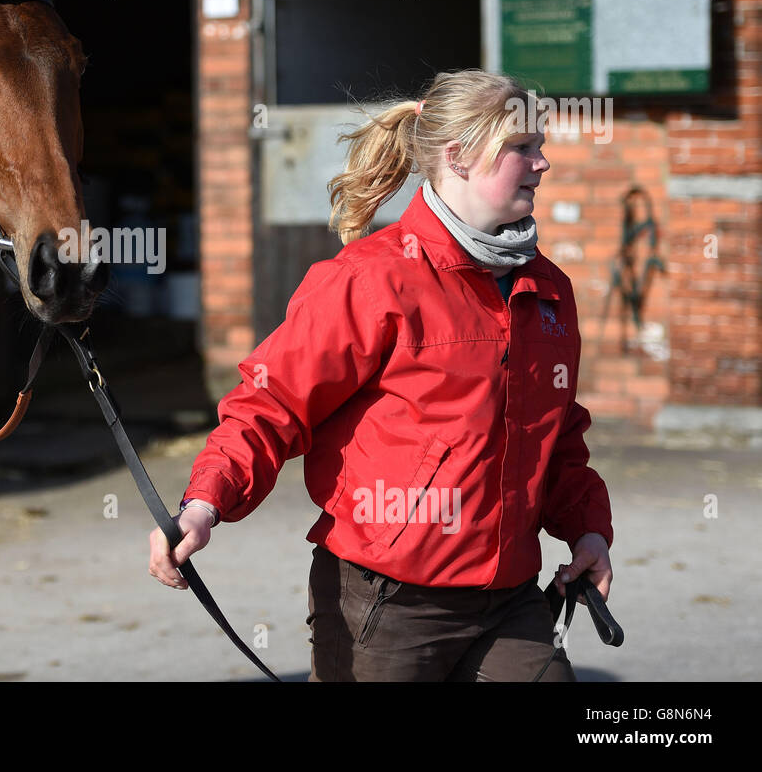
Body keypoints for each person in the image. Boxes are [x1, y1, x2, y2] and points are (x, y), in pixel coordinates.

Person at [148, 70, 614, 681]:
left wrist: (588, 530)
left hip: (510, 597)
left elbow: (558, 435)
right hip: (387, 603)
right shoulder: (370, 278)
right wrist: (204, 503)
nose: (542, 163)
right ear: (459, 157)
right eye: (522, 148)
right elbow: (272, 403)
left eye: (540, 146)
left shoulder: (548, 290)